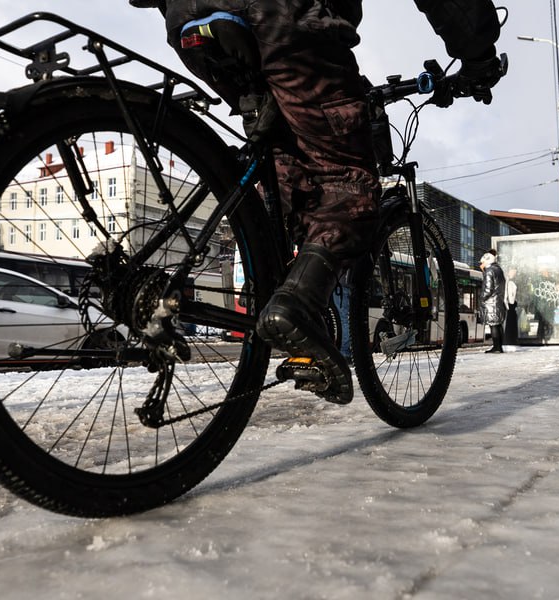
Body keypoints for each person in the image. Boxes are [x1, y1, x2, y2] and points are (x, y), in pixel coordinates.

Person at [130, 1, 504, 403]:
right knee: (347, 181)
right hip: (277, 15)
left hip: (190, 24)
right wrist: (477, 54)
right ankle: (295, 307)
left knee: (283, 169)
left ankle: (277, 285)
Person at [479, 251, 507, 353]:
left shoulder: (489, 271)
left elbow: (488, 288)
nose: (482, 265)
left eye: (482, 263)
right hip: (498, 301)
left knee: (493, 325)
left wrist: (482, 298)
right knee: (498, 325)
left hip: (491, 302)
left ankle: (496, 347)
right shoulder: (499, 270)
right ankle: (499, 346)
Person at [503, 265, 518, 344]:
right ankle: (509, 340)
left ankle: (511, 339)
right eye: (513, 271)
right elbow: (506, 294)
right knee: (509, 324)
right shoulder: (507, 280)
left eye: (515, 272)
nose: (514, 273)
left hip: (511, 305)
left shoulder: (511, 281)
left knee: (511, 324)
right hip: (509, 305)